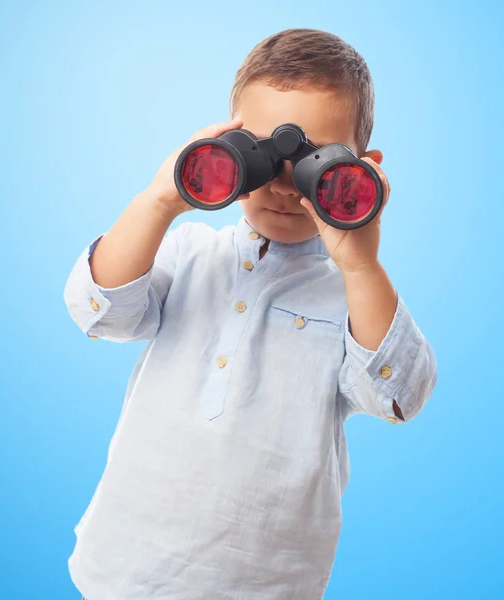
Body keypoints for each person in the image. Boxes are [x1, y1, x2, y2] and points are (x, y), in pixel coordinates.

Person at [64, 28, 437, 600]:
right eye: (263, 154)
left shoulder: (353, 296)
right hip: (124, 568)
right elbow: (101, 309)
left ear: (363, 168)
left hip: (267, 585)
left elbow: (399, 394)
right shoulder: (187, 252)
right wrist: (161, 197)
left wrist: (361, 267)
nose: (287, 185)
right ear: (229, 143)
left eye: (316, 162)